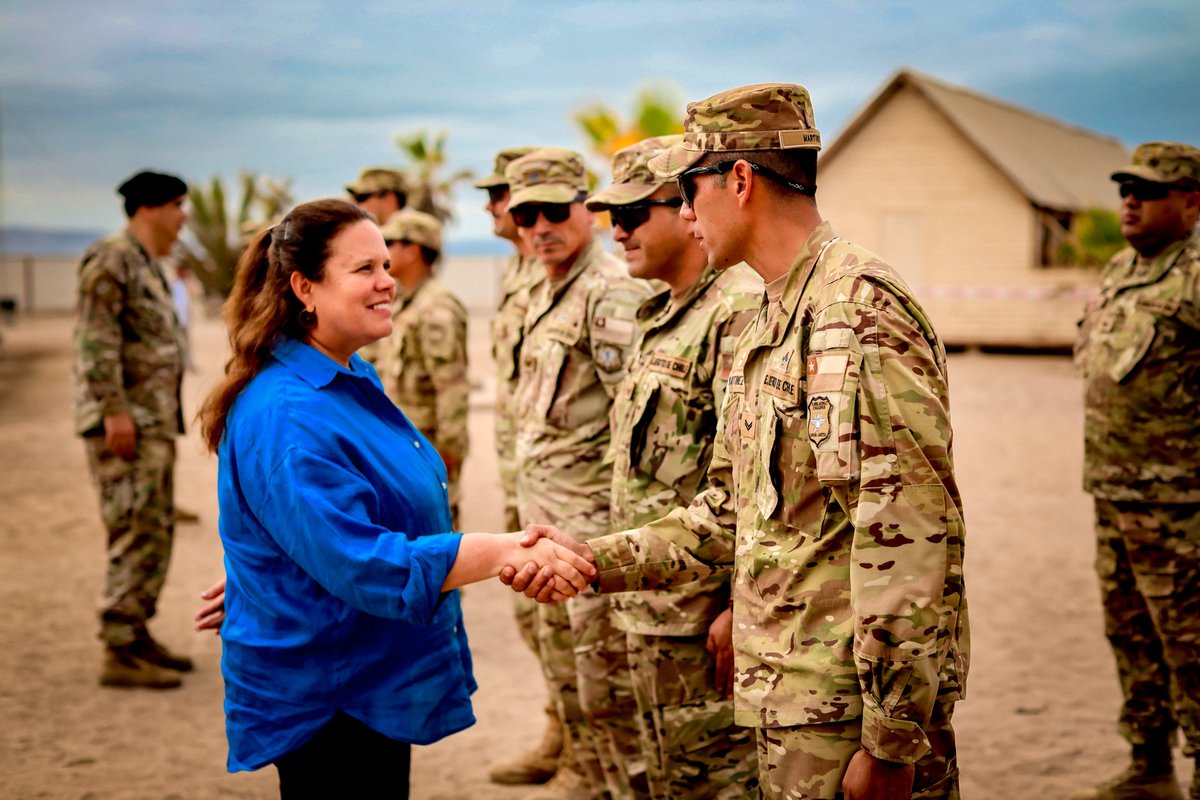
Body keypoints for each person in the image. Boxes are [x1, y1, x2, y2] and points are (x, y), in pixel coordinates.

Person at [508, 83, 969, 800]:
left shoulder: (855, 308)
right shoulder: (771, 315)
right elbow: (729, 512)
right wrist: (592, 561)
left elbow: (907, 536)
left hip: (847, 717)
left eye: (690, 191)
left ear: (742, 180)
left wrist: (893, 739)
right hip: (787, 701)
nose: (686, 214)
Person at [194, 198, 593, 798]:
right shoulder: (289, 413)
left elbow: (336, 523)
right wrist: (498, 551)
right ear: (305, 287)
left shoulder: (347, 375)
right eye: (364, 270)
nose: (387, 281)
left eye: (386, 263)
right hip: (332, 696)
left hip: (364, 671)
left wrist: (279, 571)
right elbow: (362, 562)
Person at [583, 134, 763, 798]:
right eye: (612, 217)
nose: (619, 231)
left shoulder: (736, 312)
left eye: (635, 214)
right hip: (652, 610)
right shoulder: (659, 314)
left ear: (687, 207)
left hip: (704, 623)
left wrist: (744, 605)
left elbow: (756, 481)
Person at [506, 147, 653, 800]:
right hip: (543, 522)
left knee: (607, 692)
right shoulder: (540, 286)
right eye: (524, 214)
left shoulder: (609, 289)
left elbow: (637, 422)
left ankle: (600, 780)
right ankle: (580, 771)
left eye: (554, 210)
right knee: (565, 675)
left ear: (587, 212)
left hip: (591, 534)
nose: (539, 226)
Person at [1071, 142, 1200, 800]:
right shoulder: (1120, 269)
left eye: (1147, 190)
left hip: (1182, 507)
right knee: (1130, 636)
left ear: (1191, 201)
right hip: (1114, 494)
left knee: (1192, 649)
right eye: (1126, 187)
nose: (1130, 199)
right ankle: (1150, 765)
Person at [73, 169, 193, 689]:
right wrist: (113, 410)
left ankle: (137, 630)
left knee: (153, 529)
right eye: (177, 205)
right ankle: (119, 646)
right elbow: (95, 340)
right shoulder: (112, 258)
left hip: (152, 421)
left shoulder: (148, 264)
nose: (183, 216)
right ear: (148, 209)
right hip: (127, 424)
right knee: (132, 529)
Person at [475, 145, 568, 787]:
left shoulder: (569, 279)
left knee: (563, 630)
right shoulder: (519, 278)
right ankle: (561, 732)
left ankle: (567, 740)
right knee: (535, 623)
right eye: (506, 200)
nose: (497, 208)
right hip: (522, 476)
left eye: (503, 195)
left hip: (566, 493)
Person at [368, 208, 469, 526]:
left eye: (390, 242)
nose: (383, 249)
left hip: (428, 448)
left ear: (413, 250)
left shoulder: (436, 308)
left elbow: (451, 385)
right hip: (403, 445)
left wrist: (448, 452)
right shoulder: (404, 303)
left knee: (436, 535)